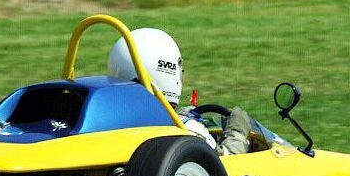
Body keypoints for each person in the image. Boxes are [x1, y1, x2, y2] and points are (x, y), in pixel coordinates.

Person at [107, 28, 250, 155]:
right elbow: (226, 164)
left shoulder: (110, 120)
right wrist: (237, 132)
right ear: (166, 70)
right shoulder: (187, 131)